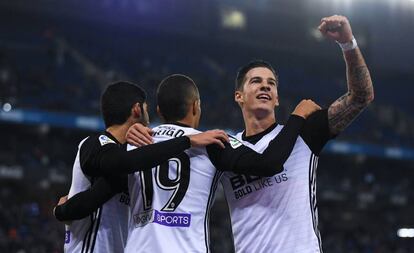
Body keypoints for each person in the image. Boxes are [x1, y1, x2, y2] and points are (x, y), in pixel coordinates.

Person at [56, 74, 320, 252]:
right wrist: (296, 117)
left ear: (159, 112)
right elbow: (269, 163)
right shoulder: (211, 142)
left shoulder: (135, 146)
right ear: (196, 107)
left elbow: (98, 194)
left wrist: (63, 210)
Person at [218, 15, 374, 252]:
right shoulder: (225, 148)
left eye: (271, 83)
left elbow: (361, 96)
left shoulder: (305, 133)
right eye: (256, 81)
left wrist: (348, 43)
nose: (265, 86)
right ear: (239, 96)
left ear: (277, 98)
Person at [58, 81, 230, 253]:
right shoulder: (95, 144)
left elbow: (110, 184)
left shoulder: (134, 157)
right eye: (146, 109)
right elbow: (123, 164)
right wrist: (187, 140)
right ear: (137, 109)